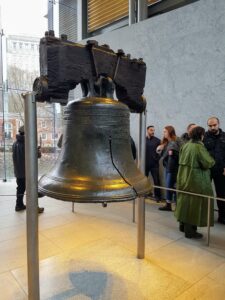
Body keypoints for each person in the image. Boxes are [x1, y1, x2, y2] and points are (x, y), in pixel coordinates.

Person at [175, 126, 215, 239]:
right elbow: (208, 163)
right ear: (201, 135)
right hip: (196, 181)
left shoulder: (185, 145)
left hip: (183, 178)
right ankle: (190, 231)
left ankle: (182, 226)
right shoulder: (199, 147)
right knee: (194, 205)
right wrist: (212, 159)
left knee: (185, 203)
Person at [12, 125, 44, 213]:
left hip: (18, 171)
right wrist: (37, 151)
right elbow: (37, 156)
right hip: (27, 172)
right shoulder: (28, 144)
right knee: (33, 190)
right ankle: (34, 208)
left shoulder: (15, 143)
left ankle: (19, 205)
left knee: (20, 188)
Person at [203, 117, 225, 224]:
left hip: (221, 170)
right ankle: (205, 215)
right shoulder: (204, 137)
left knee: (222, 193)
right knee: (205, 192)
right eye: (210, 125)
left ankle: (222, 216)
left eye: (214, 125)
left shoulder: (224, 136)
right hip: (206, 170)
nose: (212, 127)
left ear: (219, 124)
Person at [157, 125, 182, 211]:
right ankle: (168, 205)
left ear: (170, 132)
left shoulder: (177, 140)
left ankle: (177, 205)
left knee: (174, 186)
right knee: (168, 186)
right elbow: (163, 155)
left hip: (175, 167)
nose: (163, 133)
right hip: (167, 167)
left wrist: (174, 154)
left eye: (165, 131)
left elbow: (183, 152)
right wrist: (159, 150)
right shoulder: (166, 142)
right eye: (163, 131)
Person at [145, 125, 161, 202]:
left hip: (154, 165)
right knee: (144, 180)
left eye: (153, 130)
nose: (153, 132)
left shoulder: (158, 141)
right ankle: (144, 194)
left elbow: (161, 152)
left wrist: (156, 159)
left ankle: (157, 196)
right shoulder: (143, 140)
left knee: (156, 180)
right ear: (147, 130)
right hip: (145, 164)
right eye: (151, 130)